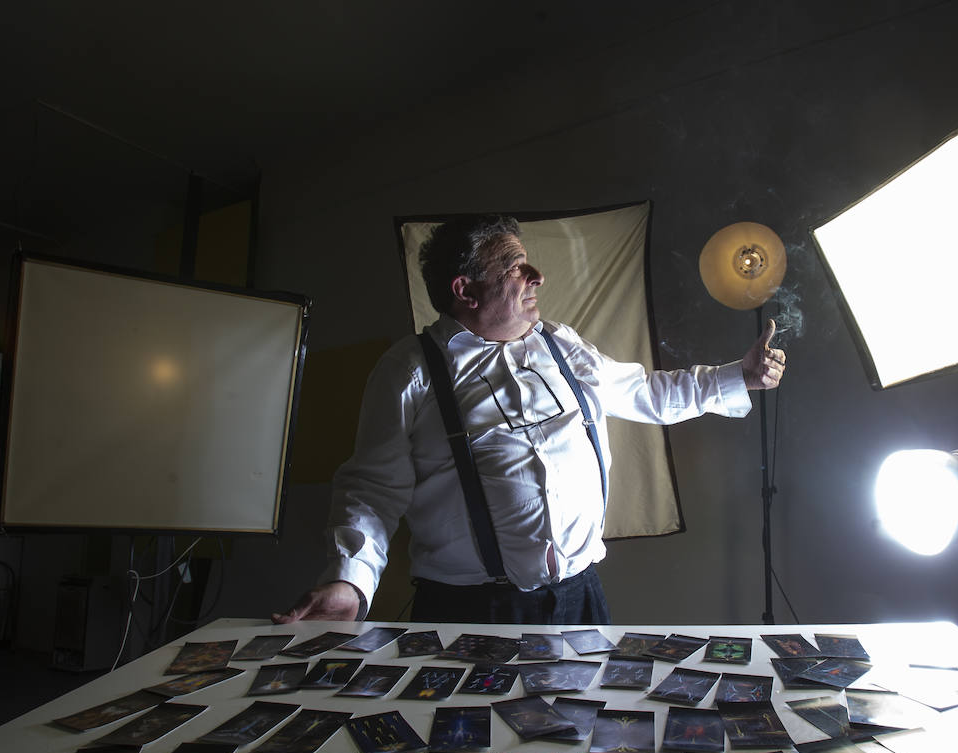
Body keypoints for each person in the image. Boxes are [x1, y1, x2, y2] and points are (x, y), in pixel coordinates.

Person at [273, 214, 786, 625]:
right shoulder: (409, 370)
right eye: (515, 267)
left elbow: (645, 393)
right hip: (468, 614)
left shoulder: (561, 343)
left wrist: (737, 377)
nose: (536, 276)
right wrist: (350, 579)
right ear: (466, 290)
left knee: (589, 743)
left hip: (581, 599)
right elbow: (372, 489)